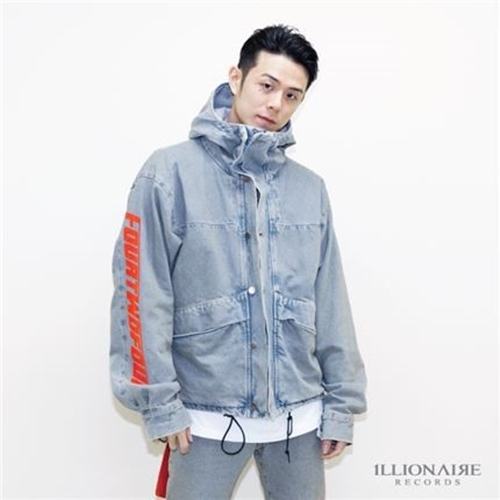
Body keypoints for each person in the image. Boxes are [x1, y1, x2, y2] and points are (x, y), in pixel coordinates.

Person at [110, 24, 367, 499]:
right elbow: (141, 295)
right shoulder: (169, 174)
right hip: (203, 421)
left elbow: (332, 302)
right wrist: (160, 405)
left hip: (300, 422)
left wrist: (341, 405)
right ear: (236, 77)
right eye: (267, 85)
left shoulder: (310, 189)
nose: (276, 104)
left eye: (292, 95)